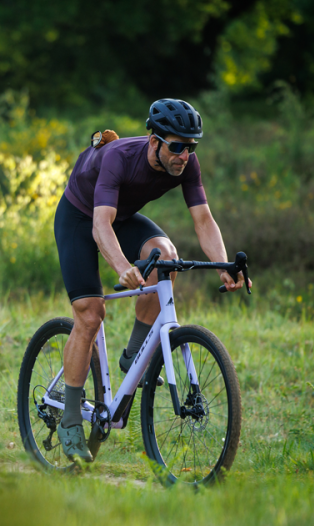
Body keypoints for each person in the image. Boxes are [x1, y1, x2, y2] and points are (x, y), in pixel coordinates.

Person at [53, 98, 250, 463]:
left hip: (121, 217)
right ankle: (69, 418)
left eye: (191, 147)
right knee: (91, 314)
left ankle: (133, 355)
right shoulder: (119, 158)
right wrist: (122, 267)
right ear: (154, 140)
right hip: (80, 217)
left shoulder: (186, 164)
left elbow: (204, 220)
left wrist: (222, 264)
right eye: (176, 146)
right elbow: (100, 225)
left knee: (166, 258)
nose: (184, 155)